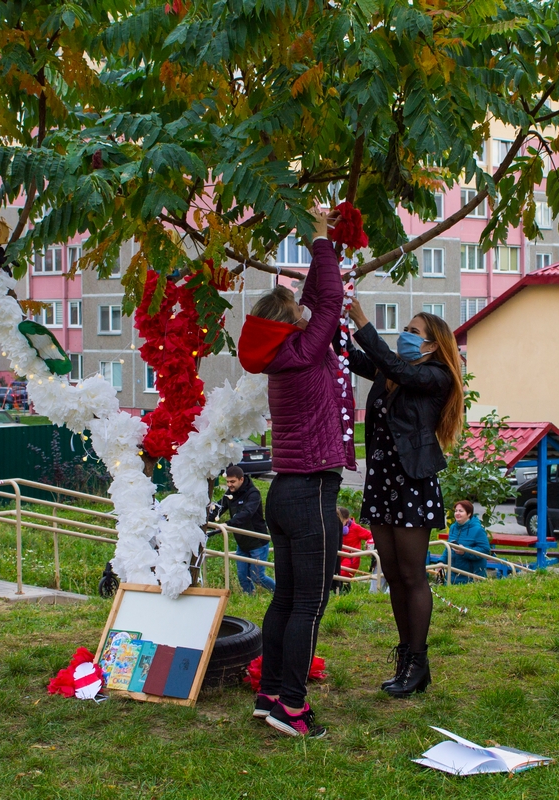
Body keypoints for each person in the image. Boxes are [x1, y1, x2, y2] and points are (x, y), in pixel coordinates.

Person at [236, 208, 353, 738]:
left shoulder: (286, 355)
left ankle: (270, 695)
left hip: (286, 491)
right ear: (287, 323)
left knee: (285, 598)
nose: (309, 315)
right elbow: (328, 300)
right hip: (309, 495)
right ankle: (293, 707)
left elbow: (318, 304)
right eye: (297, 312)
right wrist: (322, 239)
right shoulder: (304, 351)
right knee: (309, 602)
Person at [346, 303, 464, 698]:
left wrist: (363, 322)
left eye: (415, 332)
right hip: (381, 483)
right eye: (406, 329)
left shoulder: (435, 376)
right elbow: (351, 357)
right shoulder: (392, 371)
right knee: (393, 574)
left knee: (413, 575)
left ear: (432, 346)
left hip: (412, 483)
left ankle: (418, 660)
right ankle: (405, 659)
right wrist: (325, 319)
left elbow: (394, 367)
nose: (406, 336)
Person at [210, 465, 275, 594]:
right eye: (227, 482)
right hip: (242, 542)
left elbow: (247, 513)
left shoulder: (253, 493)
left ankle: (281, 593)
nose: (229, 485)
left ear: (241, 479)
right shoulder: (230, 493)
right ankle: (250, 596)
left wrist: (228, 524)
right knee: (242, 576)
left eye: (232, 482)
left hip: (257, 541)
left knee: (258, 577)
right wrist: (206, 520)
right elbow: (219, 508)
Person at [446, 500, 491, 584]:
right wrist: (441, 562)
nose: (457, 513)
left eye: (461, 511)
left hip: (471, 577)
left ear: (469, 514)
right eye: (456, 511)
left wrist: (465, 551)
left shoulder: (478, 530)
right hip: (452, 575)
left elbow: (485, 550)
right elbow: (448, 548)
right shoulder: (453, 528)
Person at [334, 507, 372, 592]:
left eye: (341, 522)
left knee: (343, 574)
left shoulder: (356, 528)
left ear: (347, 519)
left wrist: (369, 544)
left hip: (351, 558)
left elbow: (370, 536)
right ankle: (342, 593)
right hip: (339, 556)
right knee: (336, 574)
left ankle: (343, 592)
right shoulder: (335, 529)